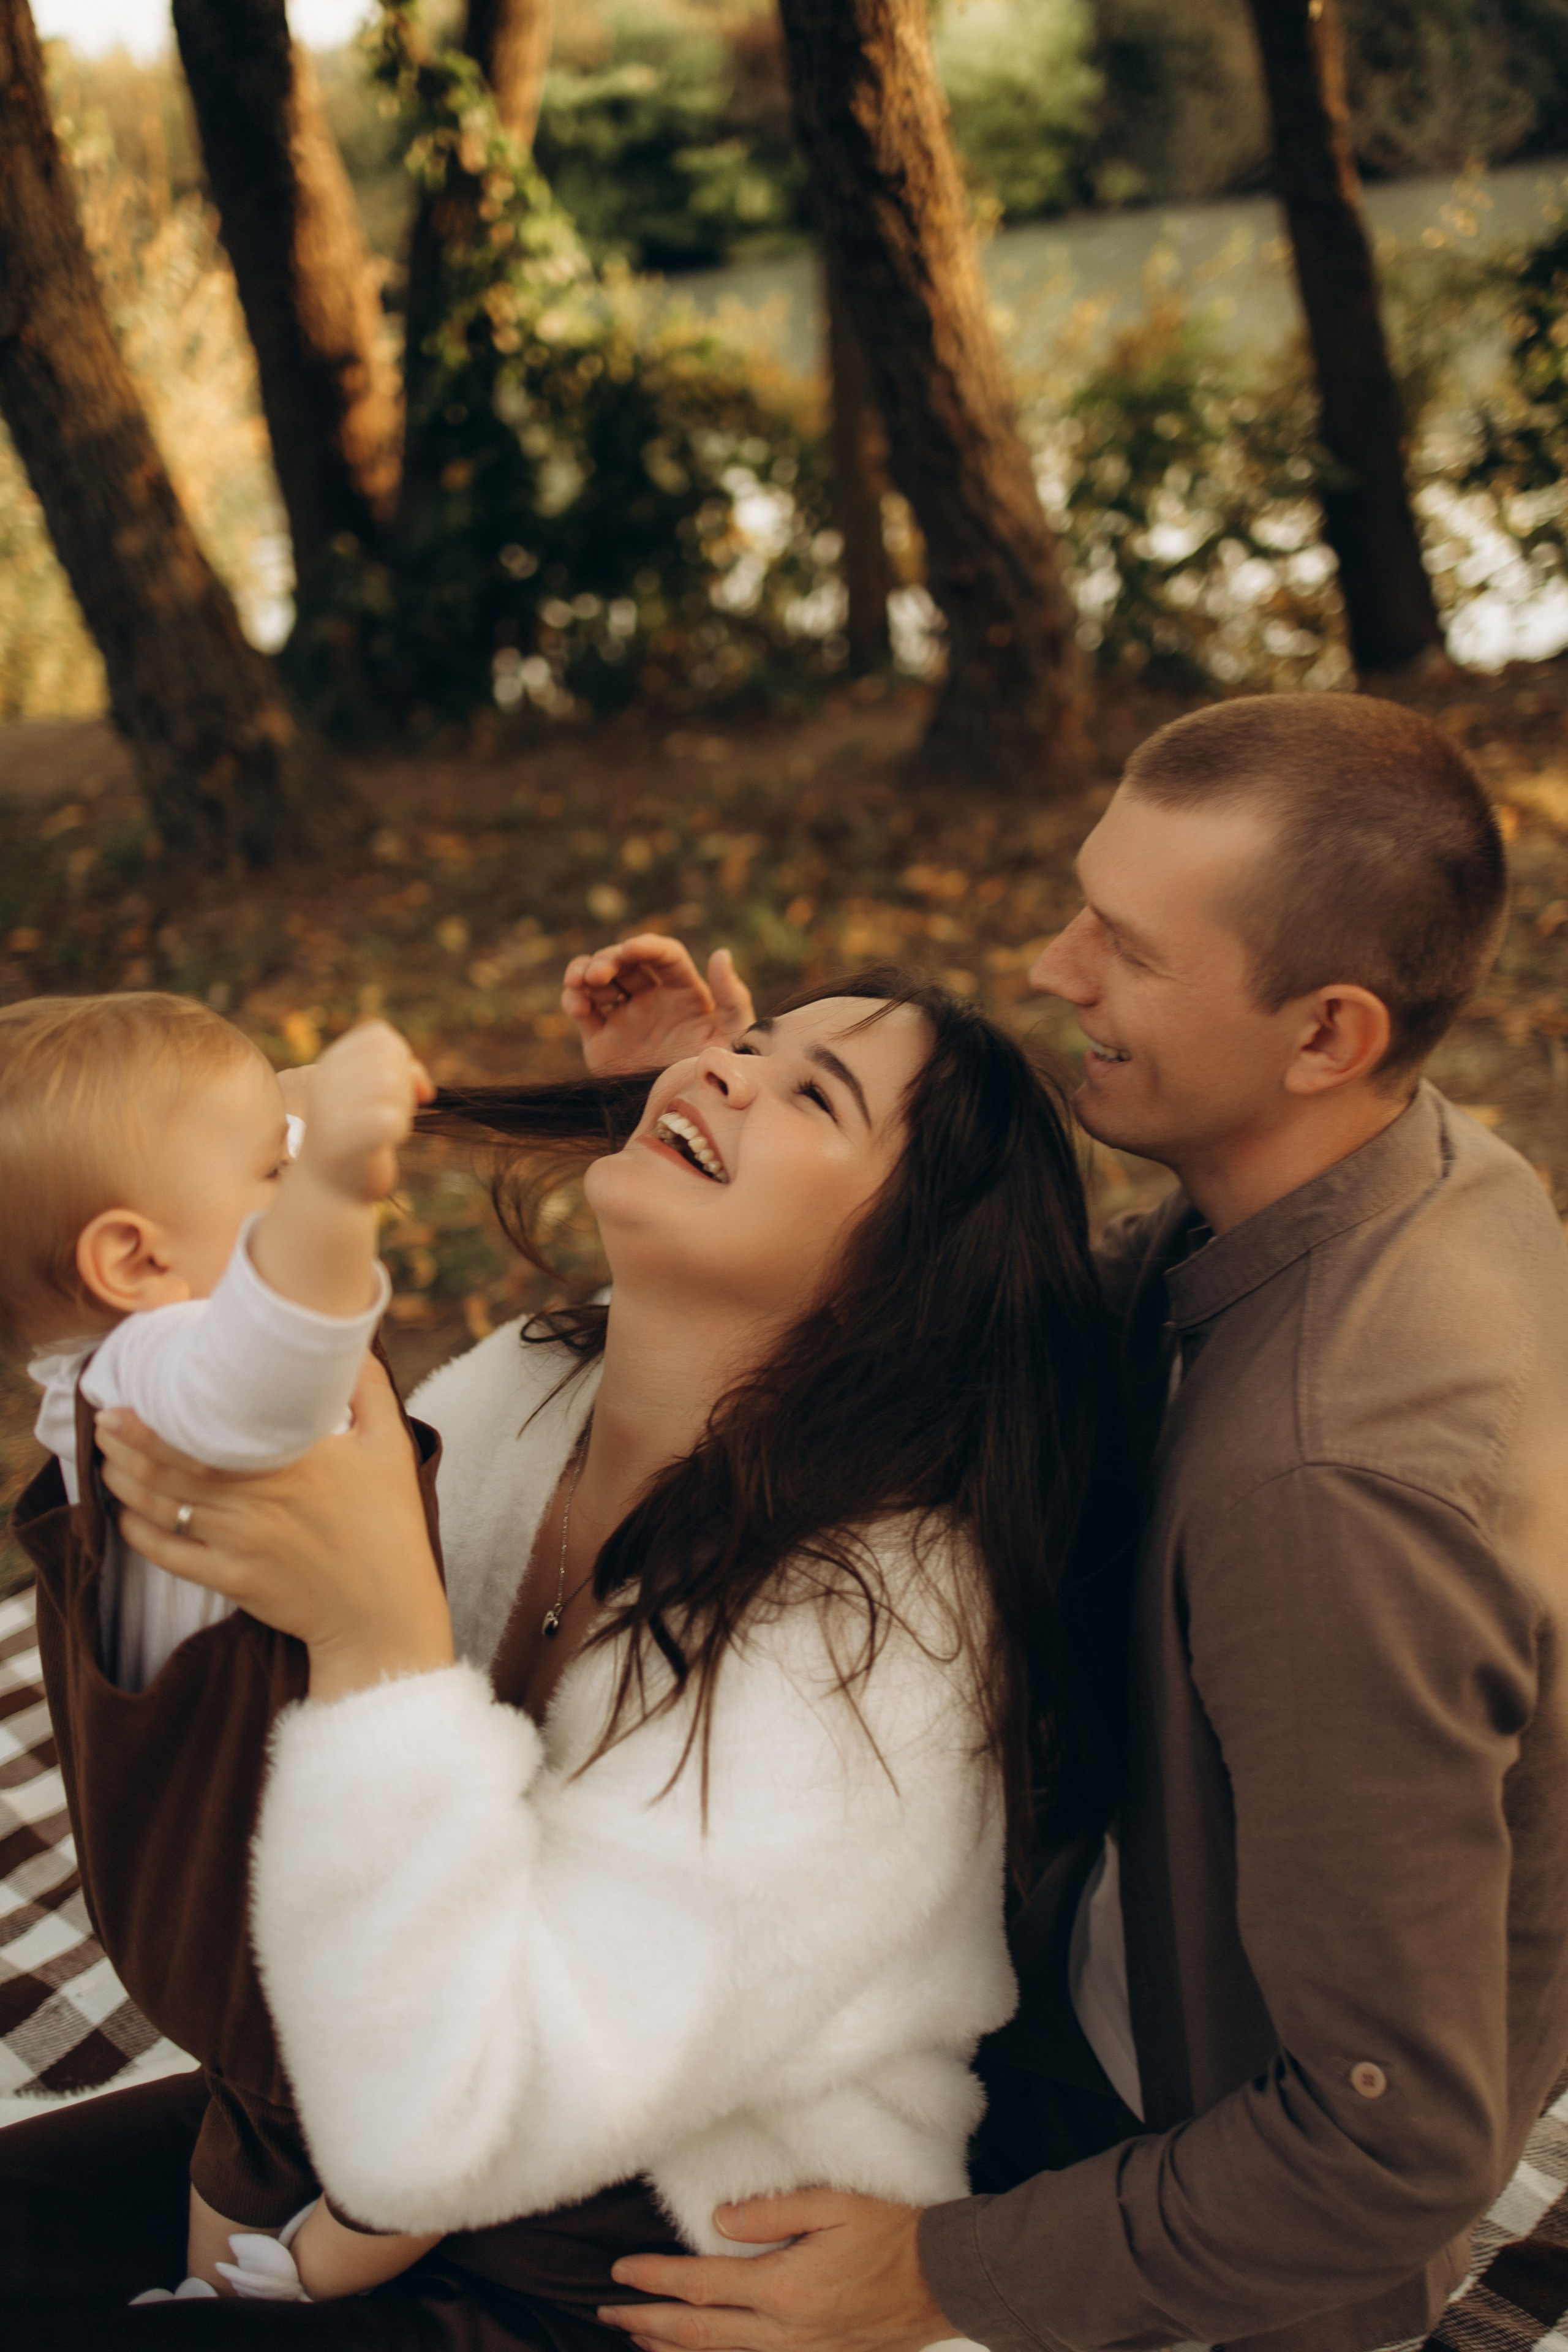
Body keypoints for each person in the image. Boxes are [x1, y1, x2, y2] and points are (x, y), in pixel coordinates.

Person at [554, 692, 1568, 2352]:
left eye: (1125, 947)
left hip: (1156, 2174)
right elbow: (1001, 1356)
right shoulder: (1383, 1176)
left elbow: (1395, 2136)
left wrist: (937, 2278)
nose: (1048, 965)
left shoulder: (1329, 1495)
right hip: (1080, 1938)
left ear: (1328, 1034)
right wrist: (719, 1134)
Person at [7, 973, 1130, 2345]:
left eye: (811, 1093)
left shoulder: (875, 1640)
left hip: (637, 2263)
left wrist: (381, 1638)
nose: (729, 1070)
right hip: (349, 2104)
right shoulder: (530, 1387)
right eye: (746, 1044)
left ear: (902, 1270)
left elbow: (442, 2132)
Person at [0, 993, 446, 2305]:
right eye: (268, 1164)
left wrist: (273, 1117)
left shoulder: (96, 1361)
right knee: (402, 2179)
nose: (293, 1157)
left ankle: (225, 2280)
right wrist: (337, 1170)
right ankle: (280, 2290)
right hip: (311, 1948)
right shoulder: (175, 1375)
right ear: (137, 1263)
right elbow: (280, 1341)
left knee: (242, 2149)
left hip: (223, 1930)